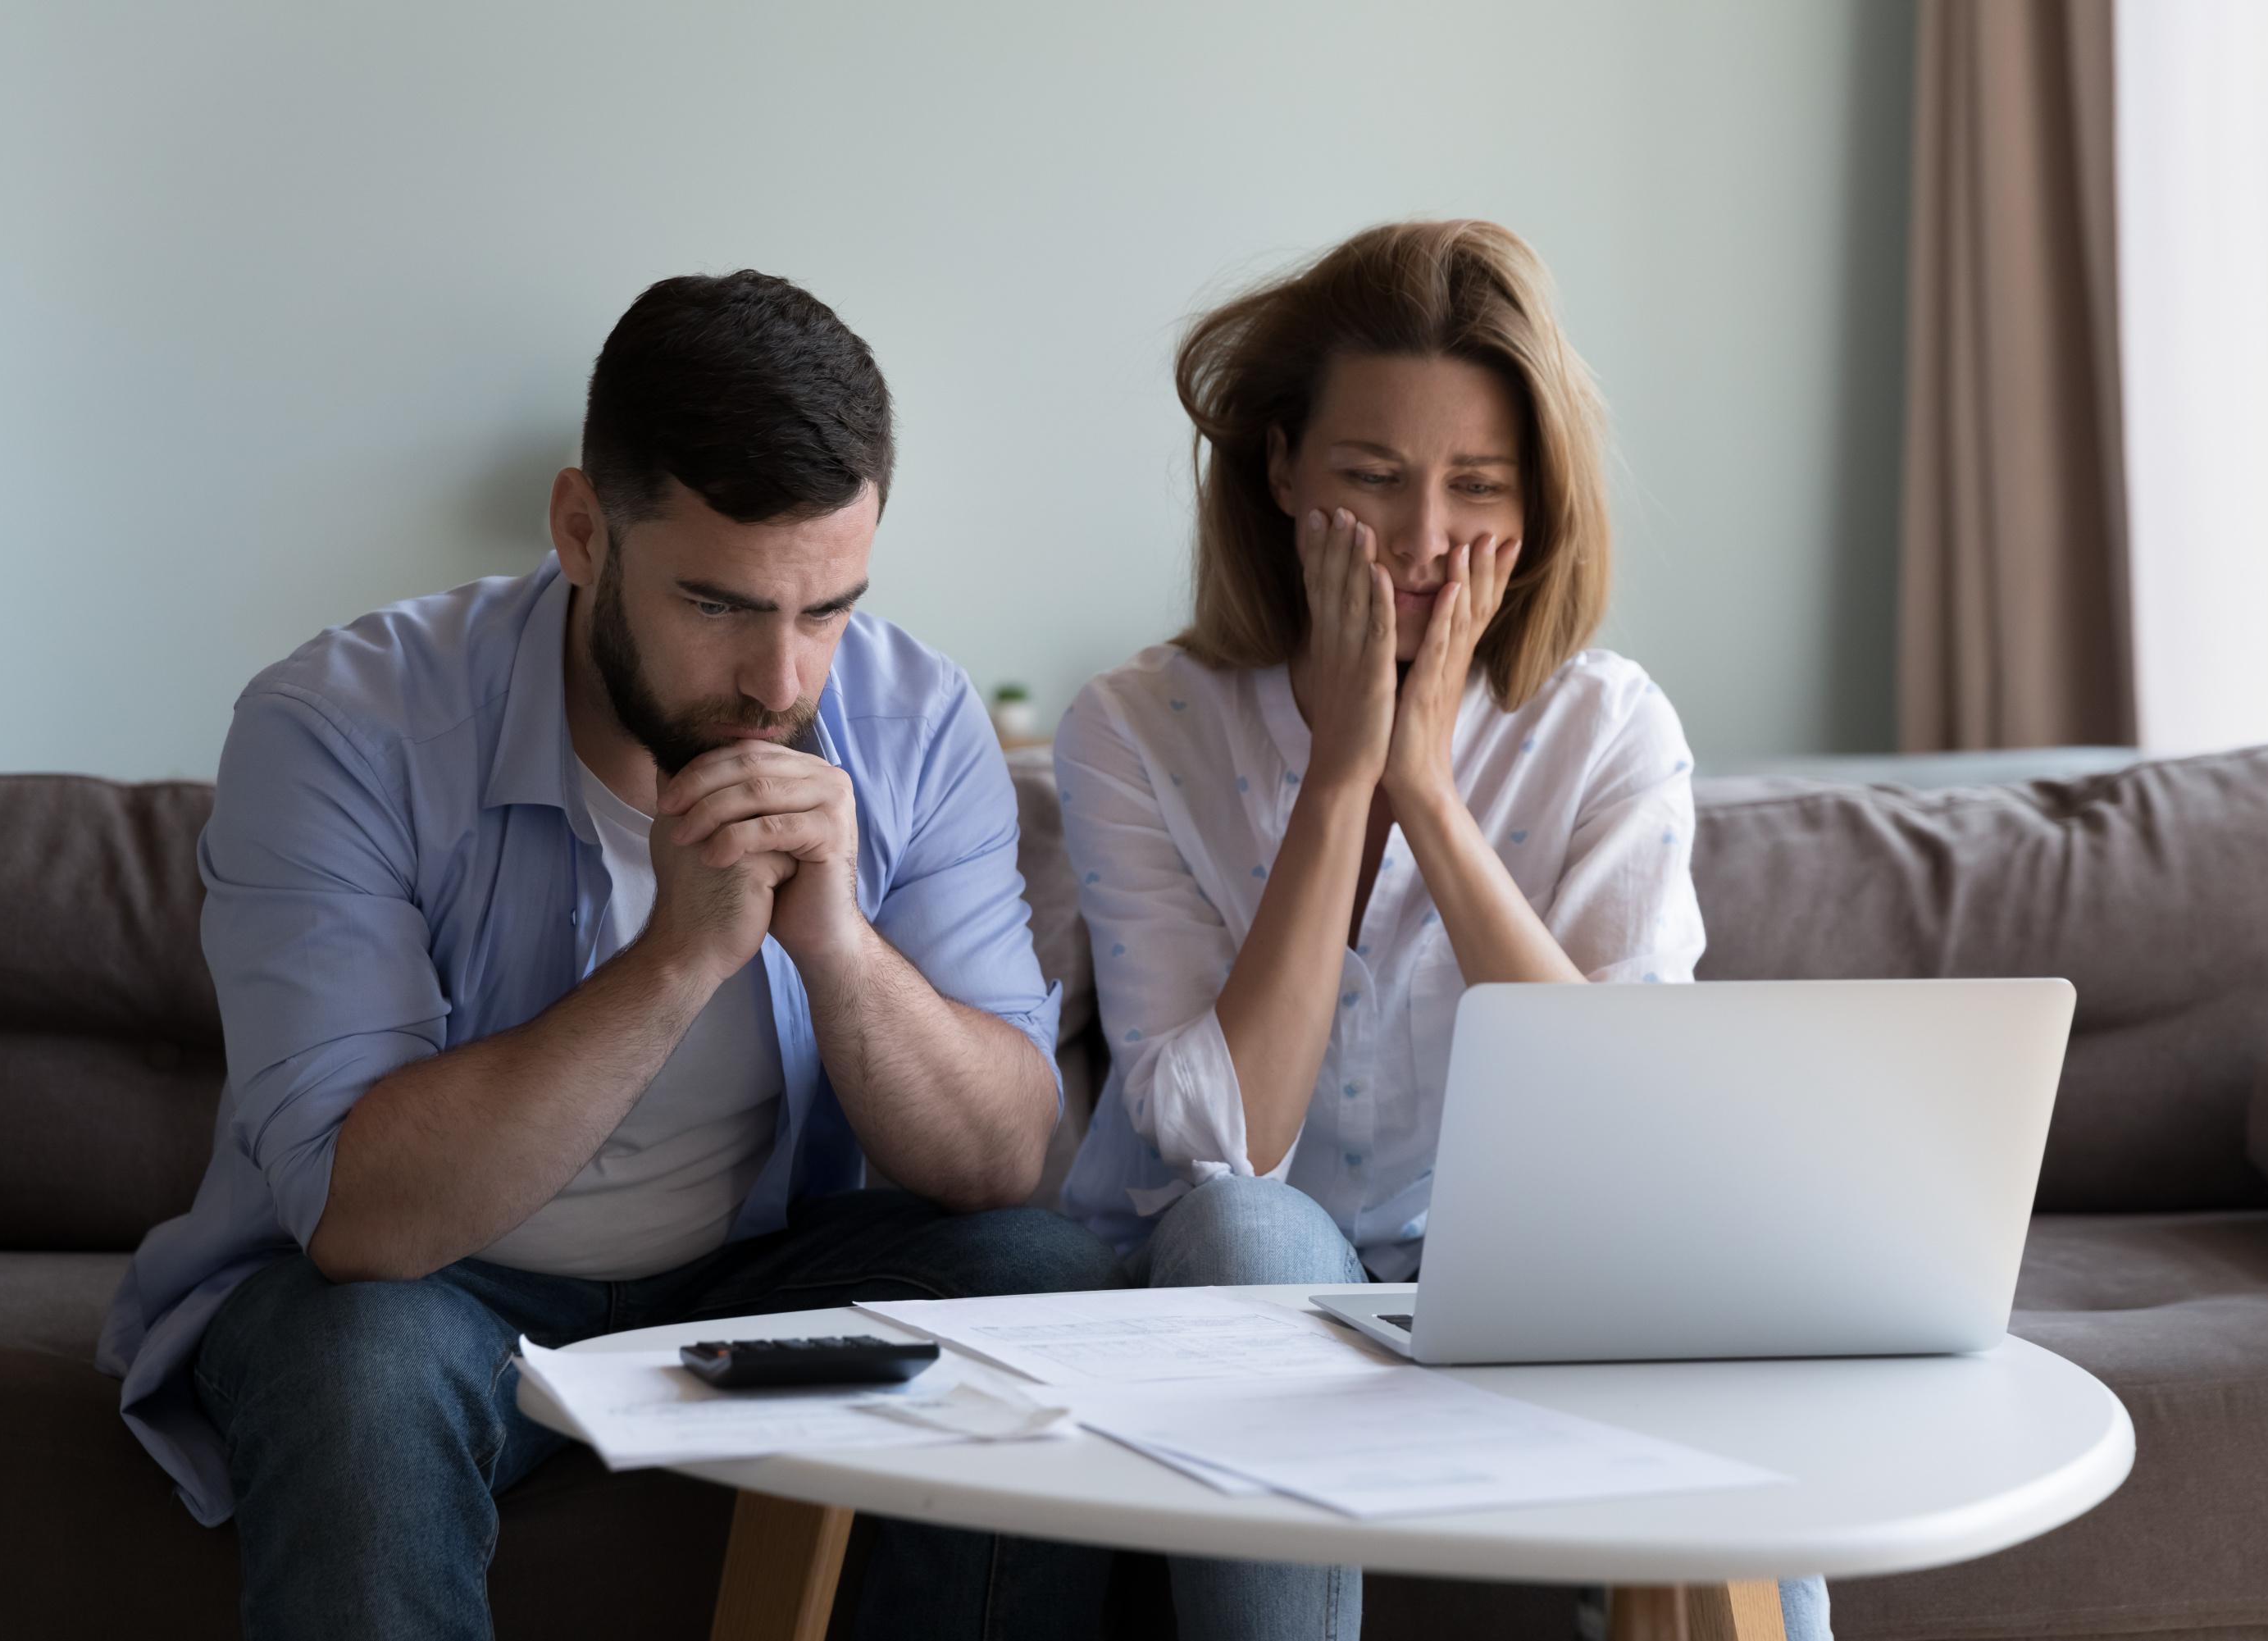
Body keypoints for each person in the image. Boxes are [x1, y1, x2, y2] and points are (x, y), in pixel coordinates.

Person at [98, 271, 1122, 1639]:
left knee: (1040, 1281)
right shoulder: (339, 728)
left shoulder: (916, 721)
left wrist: (833, 940)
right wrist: (679, 960)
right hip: (429, 1293)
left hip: (752, 1271)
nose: (783, 681)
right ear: (583, 529)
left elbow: (1002, 1164)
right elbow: (366, 1219)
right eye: (721, 605)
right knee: (355, 1365)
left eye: (826, 610)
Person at [1054, 221, 1831, 1640]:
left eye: (1476, 487)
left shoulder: (1606, 728)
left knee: (1712, 1288)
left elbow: (1628, 1129)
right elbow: (1224, 1137)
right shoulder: (1137, 727)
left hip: (1513, 1262)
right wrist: (1343, 777)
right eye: (1372, 479)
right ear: (1282, 468)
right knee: (1246, 1223)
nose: (1422, 546)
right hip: (1228, 1269)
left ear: (1536, 505)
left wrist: (1430, 790)